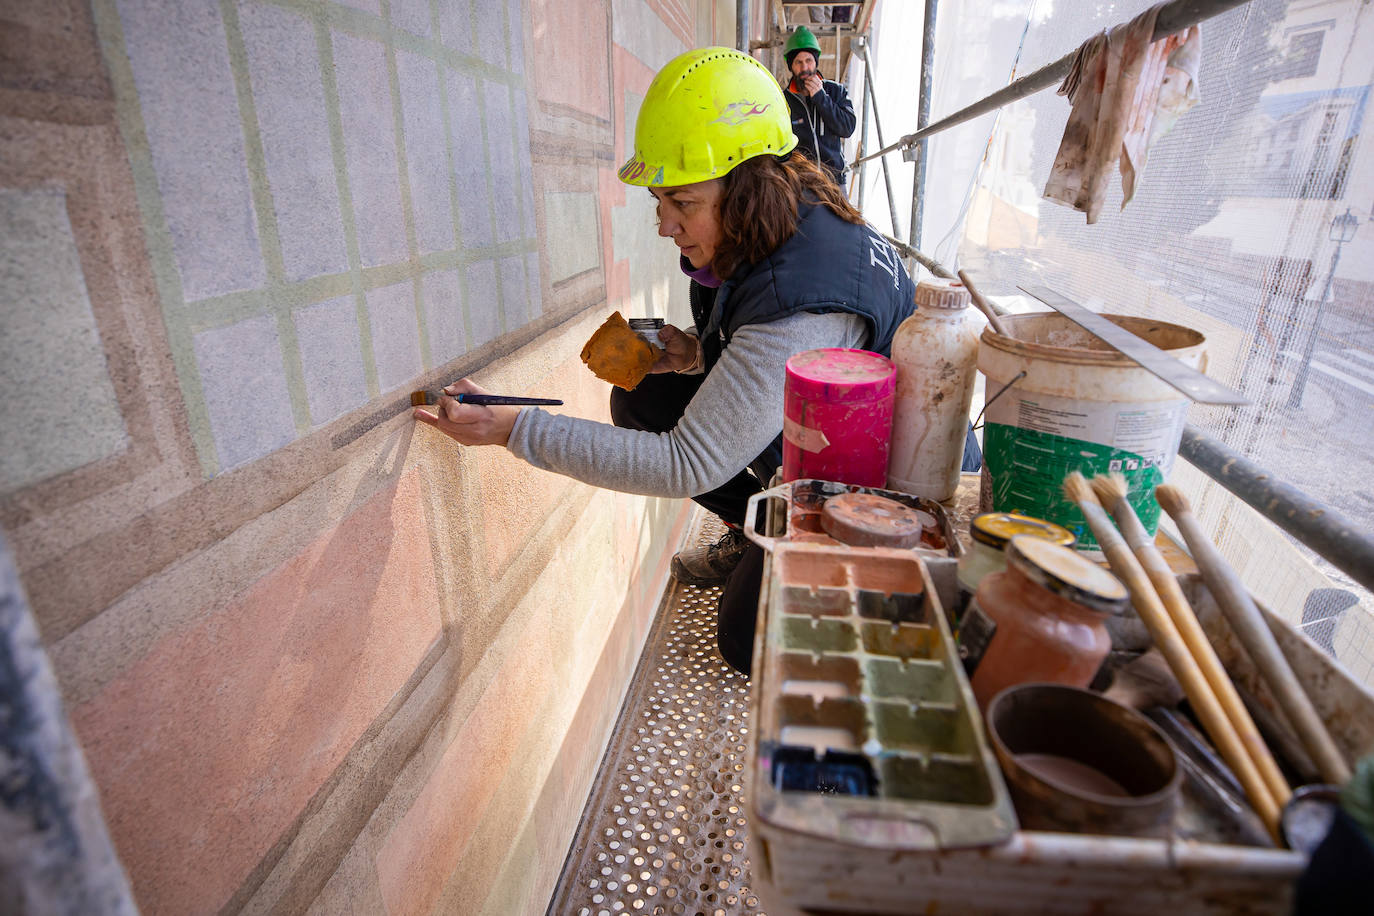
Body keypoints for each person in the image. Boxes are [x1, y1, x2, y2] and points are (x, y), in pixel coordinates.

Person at [415, 47, 925, 674]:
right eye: (662, 200)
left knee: (747, 641)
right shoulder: (790, 212)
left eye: (682, 202)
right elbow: (756, 347)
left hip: (885, 493)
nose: (665, 225)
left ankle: (804, 557)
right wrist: (694, 354)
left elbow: (687, 463)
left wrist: (512, 428)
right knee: (643, 398)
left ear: (746, 184)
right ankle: (755, 525)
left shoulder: (804, 310)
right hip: (825, 429)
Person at [781, 27, 856, 187]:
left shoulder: (836, 91)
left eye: (809, 61)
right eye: (798, 62)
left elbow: (847, 128)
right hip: (801, 184)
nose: (804, 68)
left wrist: (821, 97)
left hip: (834, 181)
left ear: (816, 62)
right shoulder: (783, 100)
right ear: (791, 66)